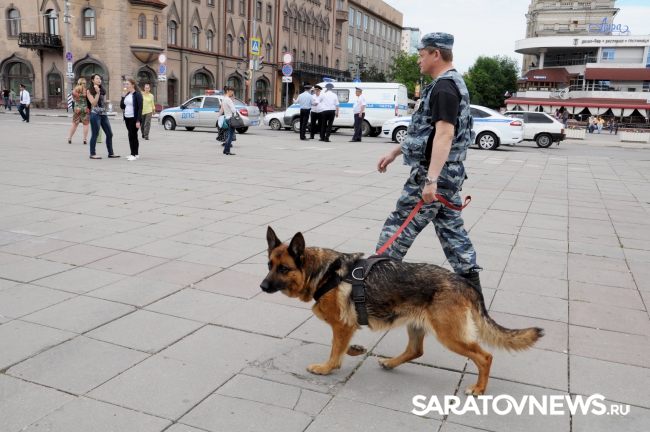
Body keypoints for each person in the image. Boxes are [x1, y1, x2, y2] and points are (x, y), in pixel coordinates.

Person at [376, 32, 483, 291]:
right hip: (449, 174)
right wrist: (395, 152)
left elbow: (445, 135)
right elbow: (428, 134)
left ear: (436, 54)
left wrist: (431, 180)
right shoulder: (449, 84)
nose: (418, 60)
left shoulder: (444, 88)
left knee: (399, 226)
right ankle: (473, 294)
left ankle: (375, 285)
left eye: (421, 54)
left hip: (435, 174)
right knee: (452, 233)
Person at [87, 74, 119, 159]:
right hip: (95, 114)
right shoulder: (89, 91)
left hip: (103, 114)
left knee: (109, 134)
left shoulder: (102, 90)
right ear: (92, 80)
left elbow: (103, 101)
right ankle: (92, 154)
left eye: (100, 78)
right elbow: (93, 103)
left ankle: (111, 153)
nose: (99, 80)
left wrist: (107, 102)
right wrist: (97, 93)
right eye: (97, 78)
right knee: (95, 134)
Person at [120, 78, 143, 161]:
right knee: (134, 135)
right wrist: (123, 97)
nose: (126, 86)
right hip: (127, 117)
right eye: (126, 84)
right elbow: (122, 106)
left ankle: (133, 154)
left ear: (133, 85)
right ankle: (136, 153)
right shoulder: (127, 94)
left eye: (128, 84)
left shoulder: (137, 94)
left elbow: (140, 108)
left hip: (134, 118)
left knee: (131, 136)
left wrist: (138, 120)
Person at [68, 78, 90, 145]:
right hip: (85, 109)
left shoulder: (74, 91)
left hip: (77, 108)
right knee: (85, 124)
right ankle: (84, 139)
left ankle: (70, 138)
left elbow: (72, 101)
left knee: (74, 124)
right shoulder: (86, 91)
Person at [217, 85, 237, 155]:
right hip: (231, 118)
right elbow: (233, 109)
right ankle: (227, 150)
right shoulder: (228, 99)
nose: (232, 92)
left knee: (230, 134)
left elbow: (222, 108)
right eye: (231, 91)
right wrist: (233, 100)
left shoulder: (224, 99)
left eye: (233, 91)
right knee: (230, 135)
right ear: (227, 91)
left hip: (227, 118)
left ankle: (225, 150)